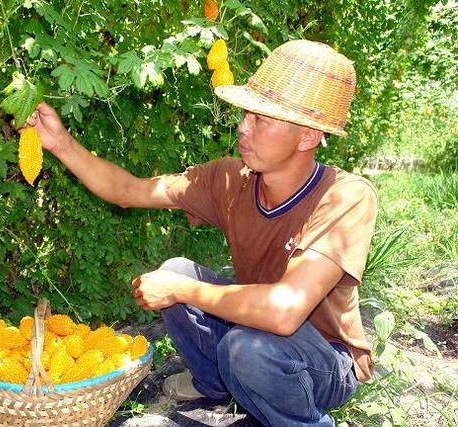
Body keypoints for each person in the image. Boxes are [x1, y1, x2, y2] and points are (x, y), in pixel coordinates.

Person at [20, 39, 377, 427]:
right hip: (255, 331)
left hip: (322, 359)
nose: (243, 128)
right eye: (246, 114)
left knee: (245, 346)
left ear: (307, 136)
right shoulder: (229, 179)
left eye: (262, 119)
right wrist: (59, 143)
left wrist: (181, 291)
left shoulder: (345, 197)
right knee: (178, 270)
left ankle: (302, 419)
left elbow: (284, 311)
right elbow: (129, 191)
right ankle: (217, 384)